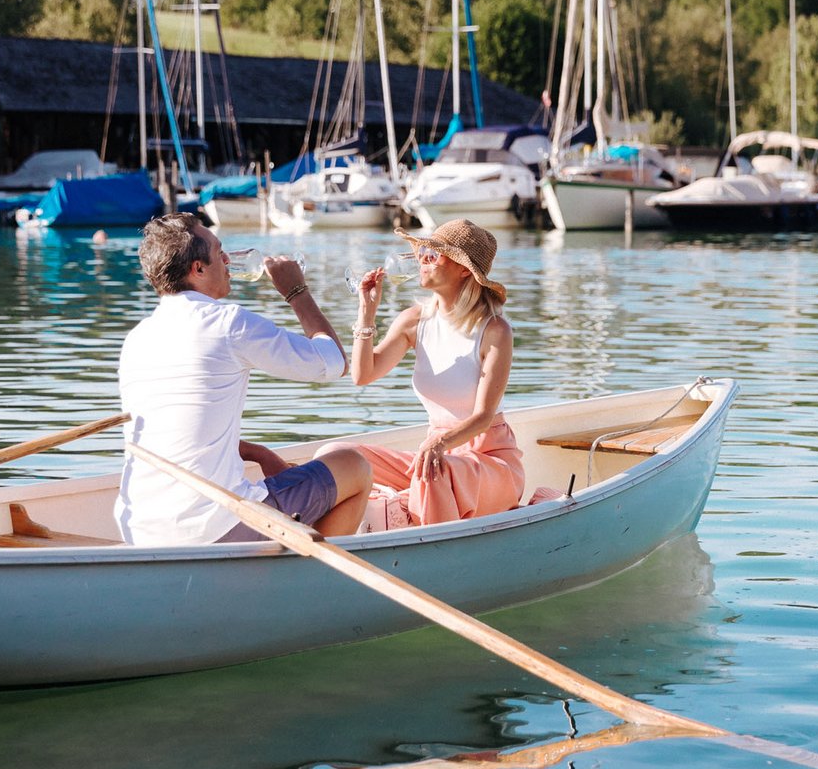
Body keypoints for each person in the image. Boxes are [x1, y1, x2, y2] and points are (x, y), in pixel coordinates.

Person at [116, 212, 370, 546]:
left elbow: (182, 433)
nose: (227, 259)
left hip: (139, 528)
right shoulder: (229, 323)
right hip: (215, 526)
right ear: (198, 268)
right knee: (354, 466)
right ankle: (313, 583)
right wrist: (296, 291)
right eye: (219, 251)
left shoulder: (137, 338)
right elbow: (333, 363)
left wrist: (259, 454)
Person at [331, 218, 523, 526]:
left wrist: (439, 444)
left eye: (433, 255)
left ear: (464, 269)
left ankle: (421, 543)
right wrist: (366, 313)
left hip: (488, 462)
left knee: (431, 471)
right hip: (435, 456)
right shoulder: (414, 320)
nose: (422, 259)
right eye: (422, 252)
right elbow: (362, 375)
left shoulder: (494, 330)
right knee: (337, 455)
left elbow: (484, 416)